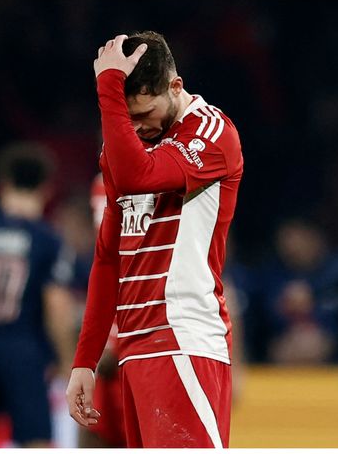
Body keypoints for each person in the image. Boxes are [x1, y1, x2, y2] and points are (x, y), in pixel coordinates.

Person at [65, 31, 243, 448]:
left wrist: (108, 85)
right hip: (134, 349)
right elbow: (109, 260)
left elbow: (138, 176)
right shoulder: (123, 151)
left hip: (183, 339)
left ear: (175, 86)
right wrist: (85, 362)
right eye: (127, 119)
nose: (137, 128)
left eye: (144, 113)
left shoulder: (212, 133)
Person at [0, 143, 76, 448]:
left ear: (3, 184)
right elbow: (56, 304)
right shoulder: (48, 239)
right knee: (36, 439)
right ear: (46, 189)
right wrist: (66, 360)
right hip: (25, 350)